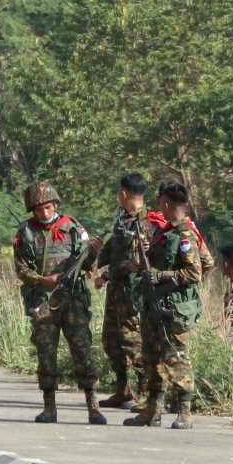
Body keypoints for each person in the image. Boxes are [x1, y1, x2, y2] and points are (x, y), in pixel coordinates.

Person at [13, 180, 106, 425]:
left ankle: (93, 406)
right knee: (46, 351)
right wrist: (43, 280)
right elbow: (20, 269)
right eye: (39, 208)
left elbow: (87, 265)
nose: (45, 212)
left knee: (82, 350)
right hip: (43, 300)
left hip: (74, 299)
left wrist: (94, 252)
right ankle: (49, 407)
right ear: (32, 209)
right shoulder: (26, 233)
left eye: (49, 206)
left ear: (56, 203)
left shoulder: (73, 228)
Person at [124, 183, 202, 430]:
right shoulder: (163, 232)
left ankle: (184, 413)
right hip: (153, 306)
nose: (158, 207)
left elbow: (195, 272)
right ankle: (152, 411)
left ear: (166, 204)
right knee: (151, 359)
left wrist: (162, 276)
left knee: (176, 358)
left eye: (160, 203)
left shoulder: (185, 235)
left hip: (172, 309)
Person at [91, 173, 156, 410]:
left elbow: (145, 260)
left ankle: (144, 394)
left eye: (119, 191)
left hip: (133, 293)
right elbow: (116, 253)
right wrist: (102, 272)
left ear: (124, 193)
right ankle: (123, 391)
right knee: (111, 340)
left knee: (133, 344)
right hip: (116, 289)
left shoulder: (148, 222)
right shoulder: (121, 220)